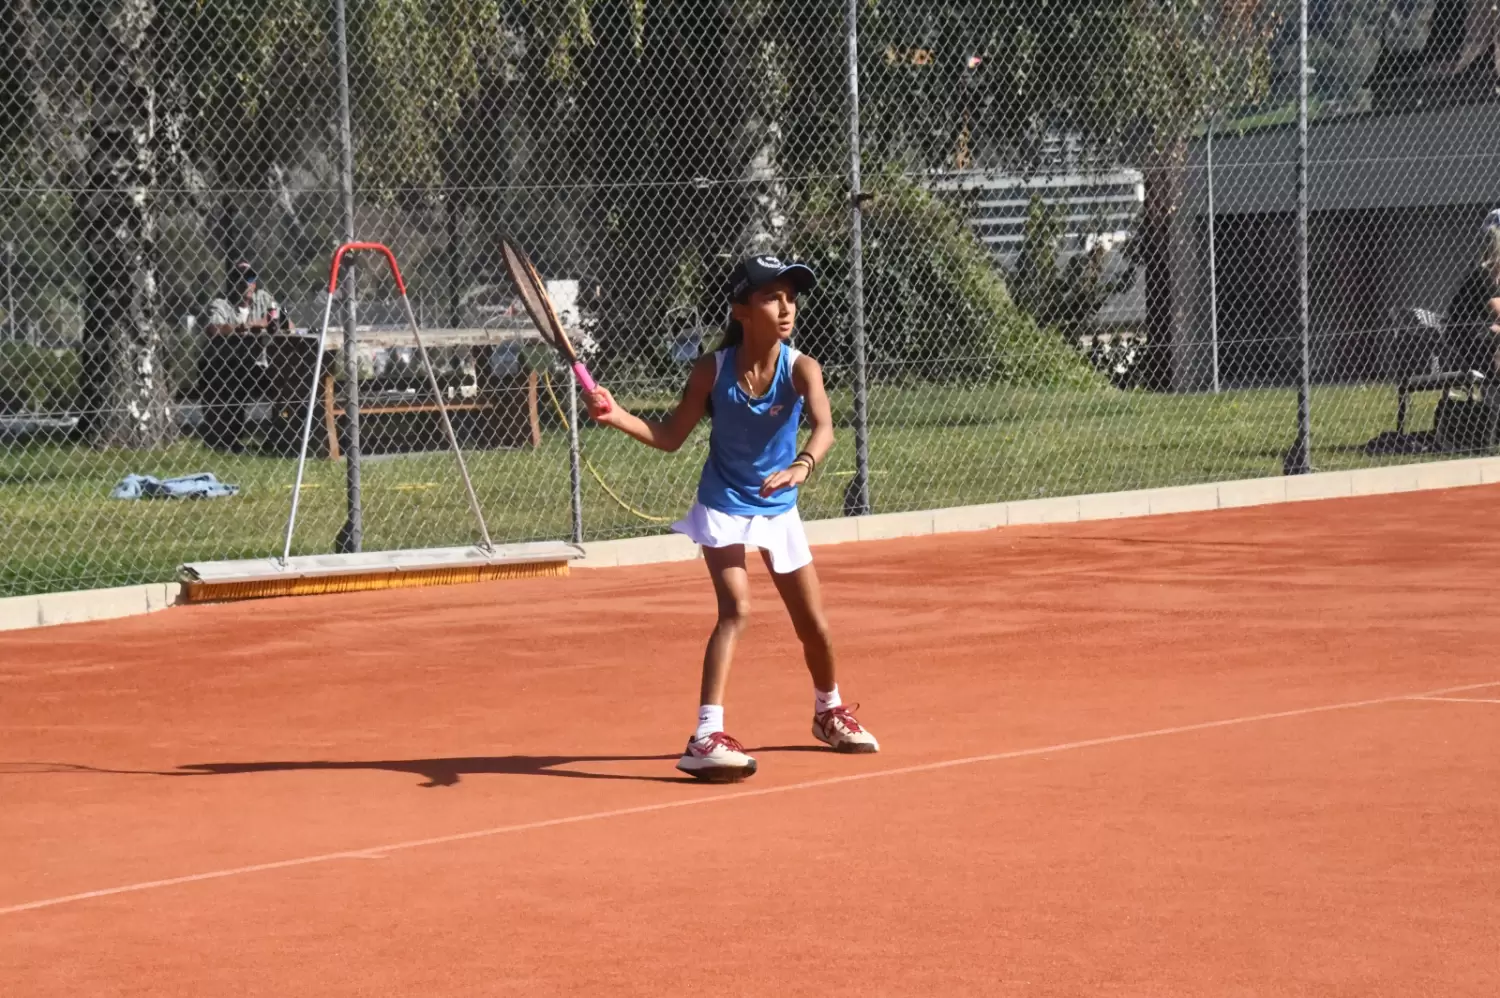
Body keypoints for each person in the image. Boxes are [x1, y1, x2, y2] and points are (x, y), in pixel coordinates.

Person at [583, 254, 879, 782]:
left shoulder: (802, 368)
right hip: (722, 504)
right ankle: (705, 736)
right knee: (736, 610)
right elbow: (671, 437)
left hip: (778, 508)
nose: (786, 308)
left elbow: (825, 427)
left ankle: (829, 710)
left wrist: (802, 465)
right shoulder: (711, 371)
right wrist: (617, 415)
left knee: (814, 625)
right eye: (771, 297)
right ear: (741, 309)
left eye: (791, 297)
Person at [198, 261, 290, 452]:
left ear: (255, 283)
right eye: (239, 278)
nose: (246, 283)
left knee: (287, 382)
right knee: (231, 388)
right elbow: (214, 329)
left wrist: (278, 323)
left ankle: (280, 437)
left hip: (258, 364)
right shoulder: (221, 303)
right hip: (227, 365)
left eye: (250, 278)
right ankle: (229, 441)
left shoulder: (264, 298)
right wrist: (245, 326)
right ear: (232, 282)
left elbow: (284, 323)